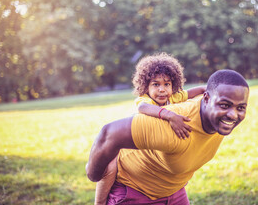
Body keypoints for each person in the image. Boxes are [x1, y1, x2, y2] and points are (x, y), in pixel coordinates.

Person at [87, 69, 249, 205]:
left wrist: (211, 89)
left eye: (241, 108)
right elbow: (109, 134)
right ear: (207, 100)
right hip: (136, 191)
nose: (233, 115)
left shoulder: (207, 111)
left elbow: (197, 91)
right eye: (225, 105)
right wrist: (92, 173)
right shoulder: (173, 125)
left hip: (173, 190)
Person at [94, 53, 206, 205]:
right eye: (156, 84)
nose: (162, 89)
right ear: (145, 86)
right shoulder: (145, 100)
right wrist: (170, 116)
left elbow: (195, 91)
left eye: (167, 84)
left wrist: (210, 89)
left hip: (162, 166)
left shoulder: (173, 97)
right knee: (110, 167)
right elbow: (143, 108)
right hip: (134, 154)